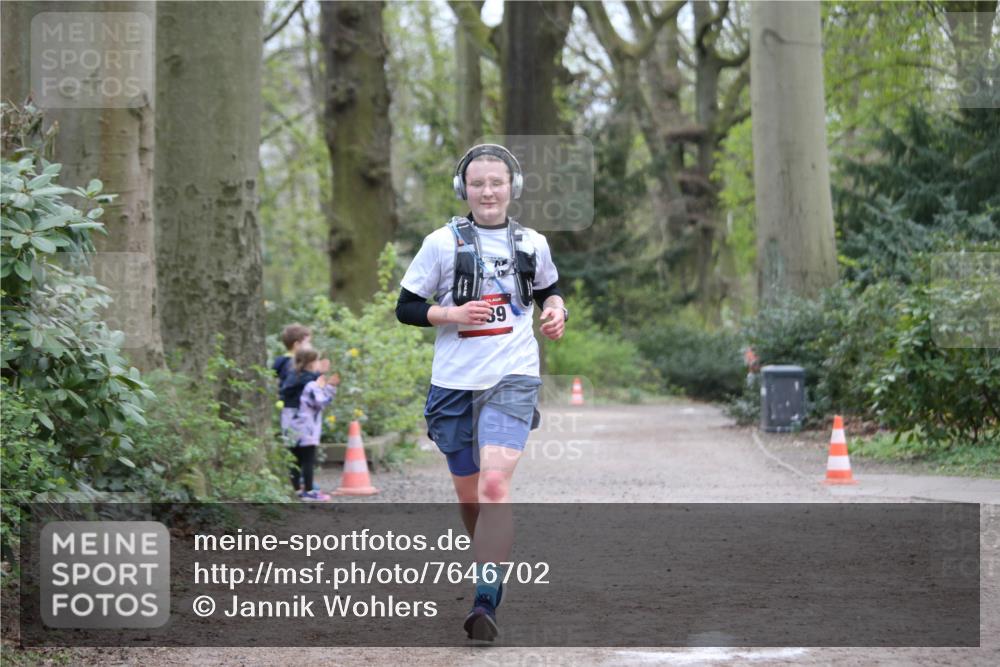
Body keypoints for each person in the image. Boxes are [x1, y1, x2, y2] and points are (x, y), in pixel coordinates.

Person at [396, 144, 567, 640]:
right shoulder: (440, 244)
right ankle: (491, 563)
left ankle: (484, 596)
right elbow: (406, 307)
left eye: (496, 182)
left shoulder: (532, 243)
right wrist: (449, 314)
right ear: (463, 189)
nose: (488, 191)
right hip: (453, 385)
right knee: (470, 497)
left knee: (495, 486)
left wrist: (556, 311)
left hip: (512, 377)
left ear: (512, 187)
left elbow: (549, 289)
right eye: (478, 183)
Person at [282, 348, 340, 501]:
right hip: (306, 427)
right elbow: (320, 402)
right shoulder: (311, 384)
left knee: (294, 459)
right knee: (308, 460)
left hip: (289, 425)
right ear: (310, 363)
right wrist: (331, 387)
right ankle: (309, 491)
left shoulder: (291, 378)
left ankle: (296, 490)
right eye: (316, 361)